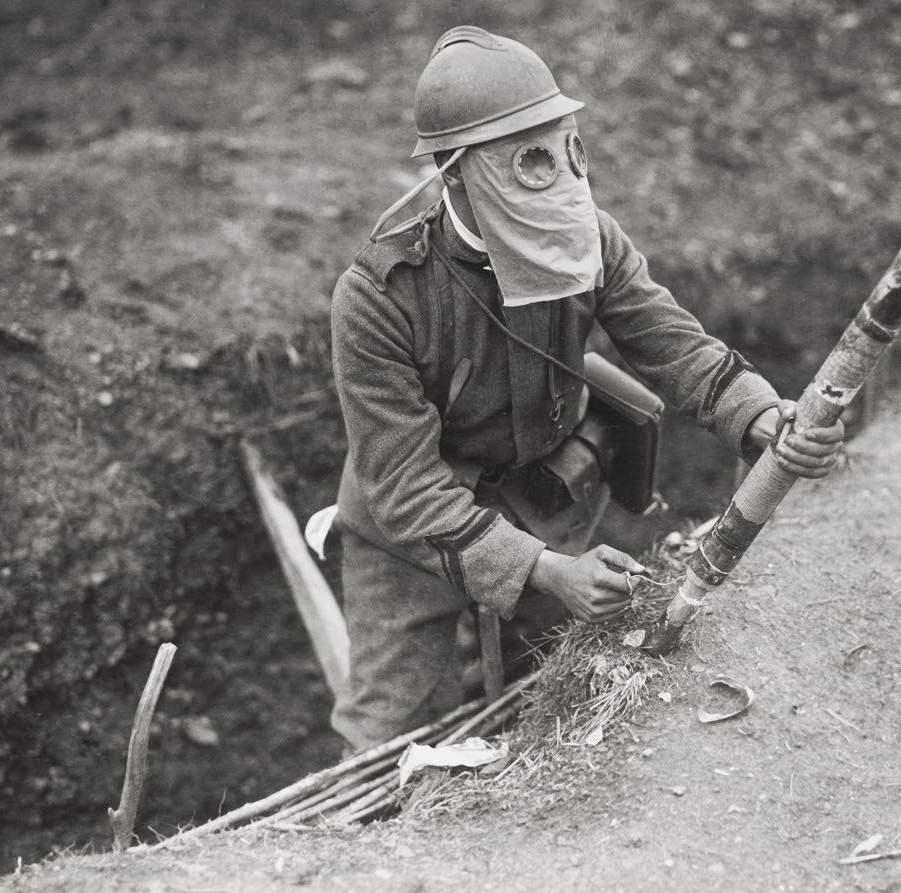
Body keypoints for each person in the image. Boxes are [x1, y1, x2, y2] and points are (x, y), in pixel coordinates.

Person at [327, 26, 845, 752]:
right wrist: (546, 571)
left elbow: (670, 341)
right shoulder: (382, 297)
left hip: (545, 495)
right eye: (527, 162)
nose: (560, 179)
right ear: (454, 173)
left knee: (568, 695)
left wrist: (763, 414)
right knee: (390, 735)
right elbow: (405, 487)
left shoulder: (588, 237)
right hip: (409, 527)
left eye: (565, 149)